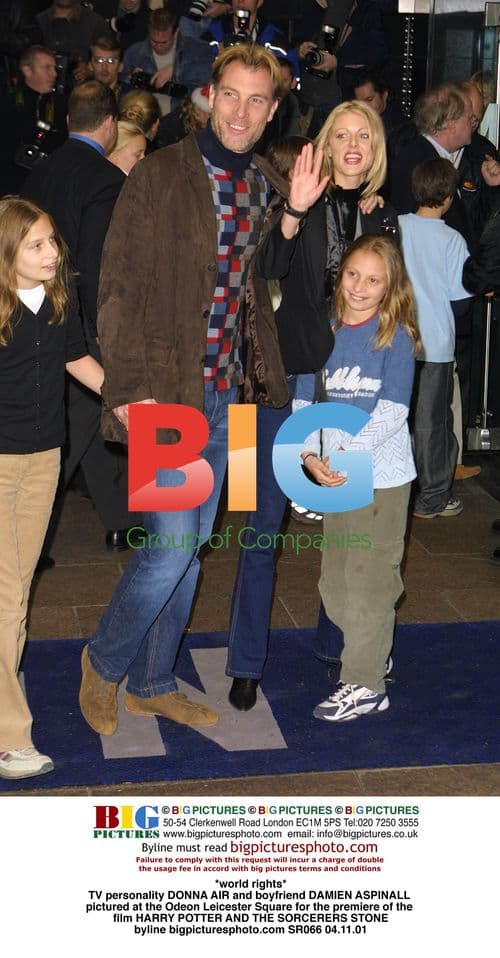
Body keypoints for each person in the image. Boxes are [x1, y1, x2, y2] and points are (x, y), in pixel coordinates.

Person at [78, 43, 283, 738]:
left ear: (272, 110)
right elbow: (118, 286)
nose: (241, 110)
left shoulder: (265, 183)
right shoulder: (160, 174)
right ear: (207, 95)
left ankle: (153, 680)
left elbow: (269, 282)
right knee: (170, 546)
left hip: (233, 399)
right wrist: (127, 389)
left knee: (193, 546)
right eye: (231, 94)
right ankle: (104, 664)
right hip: (167, 392)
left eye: (258, 99)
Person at [226, 101, 399, 712]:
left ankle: (337, 647)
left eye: (364, 136)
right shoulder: (298, 196)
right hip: (274, 384)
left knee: (344, 527)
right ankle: (245, 664)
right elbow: (267, 265)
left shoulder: (385, 219)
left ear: (376, 150)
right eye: (341, 135)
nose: (353, 145)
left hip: (347, 393)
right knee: (261, 527)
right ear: (323, 145)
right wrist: (297, 208)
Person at [295, 234, 419, 722]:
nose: (360, 288)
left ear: (390, 287)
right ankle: (372, 649)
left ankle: (365, 682)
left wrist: (345, 454)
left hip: (380, 477)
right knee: (336, 582)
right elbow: (304, 402)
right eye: (353, 275)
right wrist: (309, 457)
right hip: (333, 475)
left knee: (371, 581)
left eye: (373, 280)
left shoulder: (397, 336)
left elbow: (392, 410)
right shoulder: (323, 329)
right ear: (338, 274)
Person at [0, 196, 103, 780]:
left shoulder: (59, 302)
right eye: (35, 245)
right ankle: (11, 736)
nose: (50, 253)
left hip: (44, 463)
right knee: (8, 598)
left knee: (15, 595)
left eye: (52, 242)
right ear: (8, 254)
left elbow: (76, 361)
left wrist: (129, 407)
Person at [23, 80, 135, 553]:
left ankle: (119, 521)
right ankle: (32, 531)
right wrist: (100, 336)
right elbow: (97, 262)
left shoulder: (38, 172)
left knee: (83, 420)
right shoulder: (106, 181)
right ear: (110, 126)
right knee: (76, 425)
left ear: (70, 121)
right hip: (79, 319)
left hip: (32, 314)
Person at [399, 158, 473, 520]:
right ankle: (434, 497)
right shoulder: (452, 239)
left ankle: (399, 491)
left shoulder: (394, 227)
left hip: (396, 340)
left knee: (398, 419)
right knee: (433, 424)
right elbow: (460, 300)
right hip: (436, 344)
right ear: (448, 197)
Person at [0, 45, 67, 195]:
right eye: (47, 68)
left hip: (47, 188)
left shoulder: (61, 106)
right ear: (27, 70)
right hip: (9, 188)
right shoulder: (8, 104)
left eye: (55, 68)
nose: (54, 74)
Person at [122, 7, 213, 115]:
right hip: (145, 118)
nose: (158, 47)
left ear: (176, 32)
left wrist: (175, 69)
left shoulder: (198, 49)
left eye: (164, 42)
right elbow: (123, 96)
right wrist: (132, 82)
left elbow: (206, 90)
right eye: (154, 41)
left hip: (184, 119)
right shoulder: (134, 53)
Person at [88, 33, 124, 99]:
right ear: (90, 65)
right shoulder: (80, 96)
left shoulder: (131, 99)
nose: (104, 67)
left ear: (120, 67)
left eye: (110, 61)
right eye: (99, 60)